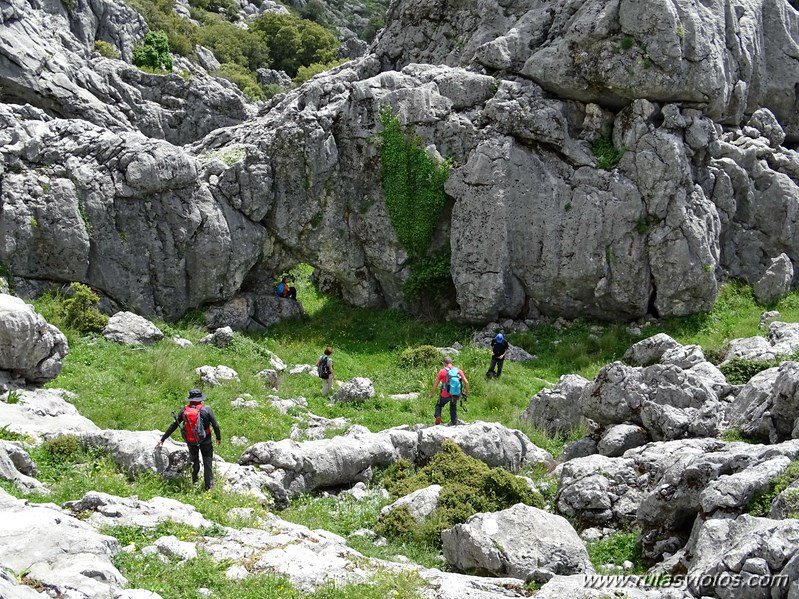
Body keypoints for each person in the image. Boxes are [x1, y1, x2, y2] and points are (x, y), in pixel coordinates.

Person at [155, 388, 221, 491]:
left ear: (190, 399)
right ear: (200, 399)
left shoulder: (185, 411)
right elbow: (215, 425)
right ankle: (209, 488)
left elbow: (174, 425)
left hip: (191, 441)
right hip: (206, 441)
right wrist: (218, 437)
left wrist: (163, 439)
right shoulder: (206, 409)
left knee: (194, 461)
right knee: (207, 463)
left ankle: (194, 482)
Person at [429, 356, 469, 426]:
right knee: (453, 406)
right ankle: (454, 421)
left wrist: (431, 394)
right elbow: (466, 382)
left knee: (439, 405)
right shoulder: (458, 370)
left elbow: (436, 384)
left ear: (444, 363)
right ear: (451, 362)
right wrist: (466, 392)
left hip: (445, 394)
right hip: (456, 393)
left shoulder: (442, 371)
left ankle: (438, 416)